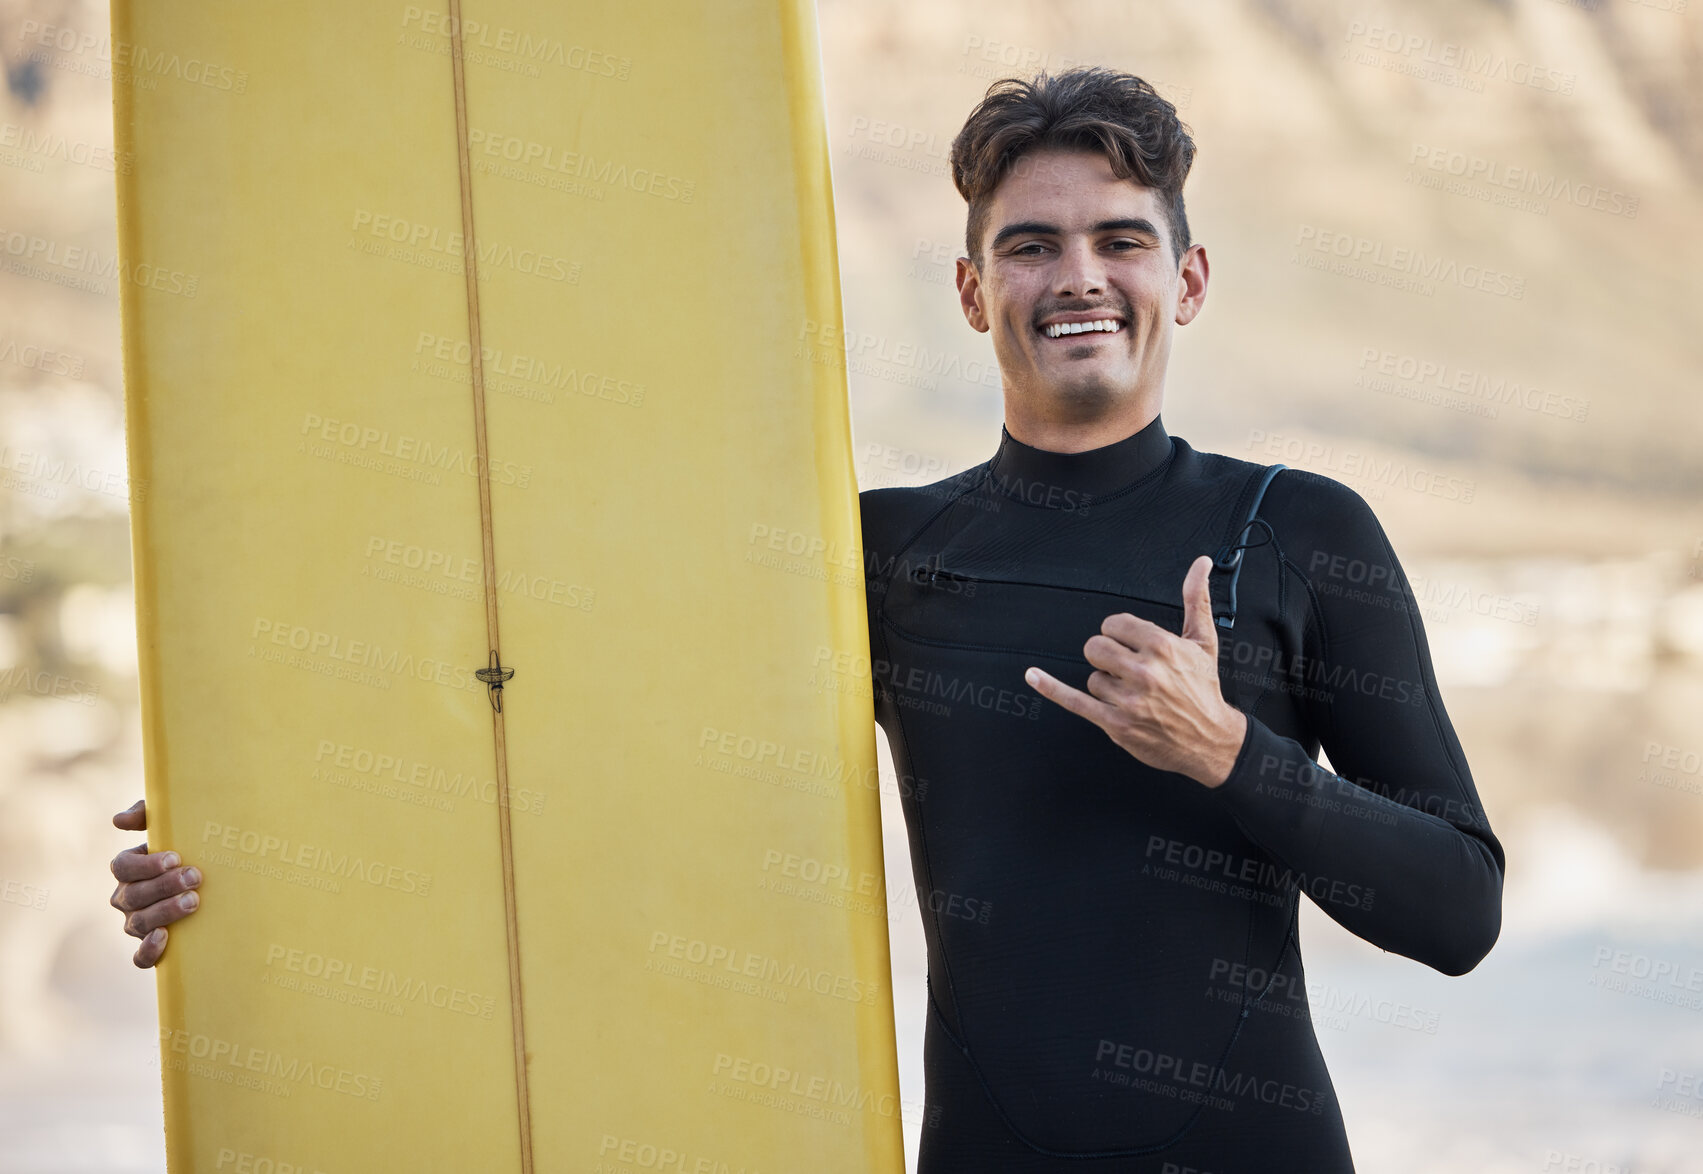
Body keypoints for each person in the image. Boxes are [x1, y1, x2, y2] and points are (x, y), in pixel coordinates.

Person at [112, 67, 1502, 1172]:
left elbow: (1460, 908)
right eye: (1030, 245)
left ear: (1184, 281)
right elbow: (544, 708)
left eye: (1119, 240)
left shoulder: (1304, 531)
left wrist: (1230, 754)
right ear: (973, 291)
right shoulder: (873, 552)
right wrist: (242, 824)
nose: (1076, 274)